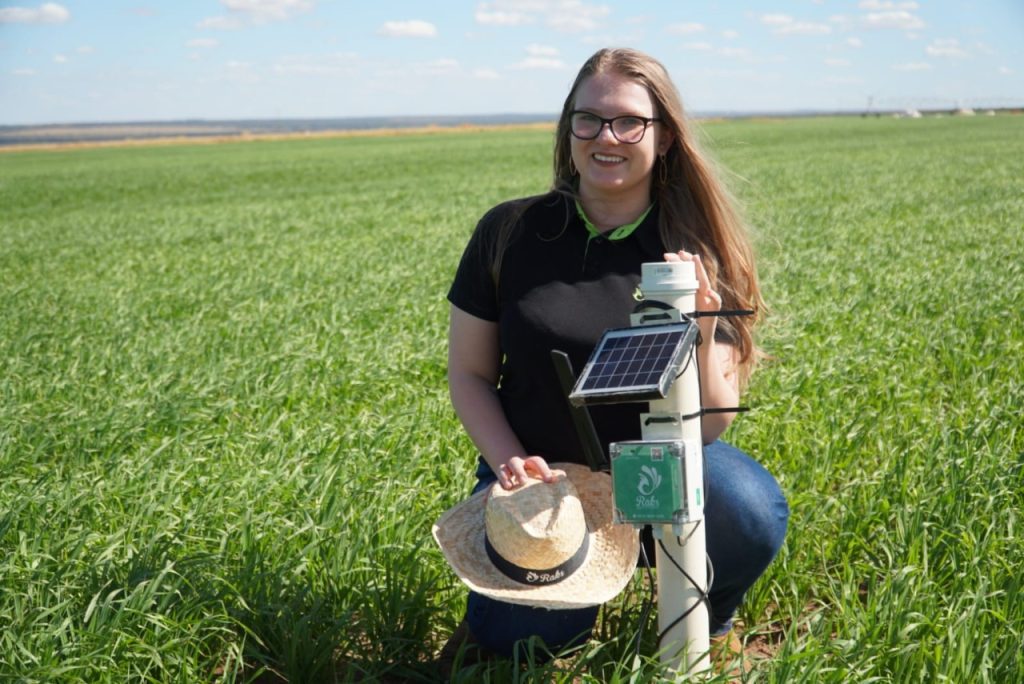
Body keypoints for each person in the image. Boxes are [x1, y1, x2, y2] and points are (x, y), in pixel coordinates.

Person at [439, 47, 789, 671]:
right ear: (567, 127)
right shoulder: (509, 232)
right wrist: (508, 463)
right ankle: (538, 608)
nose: (607, 137)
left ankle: (713, 616)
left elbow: (710, 426)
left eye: (629, 121)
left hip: (658, 473)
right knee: (520, 644)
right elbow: (468, 374)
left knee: (747, 508)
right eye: (589, 118)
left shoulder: (701, 248)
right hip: (545, 481)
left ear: (665, 138)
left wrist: (703, 329)